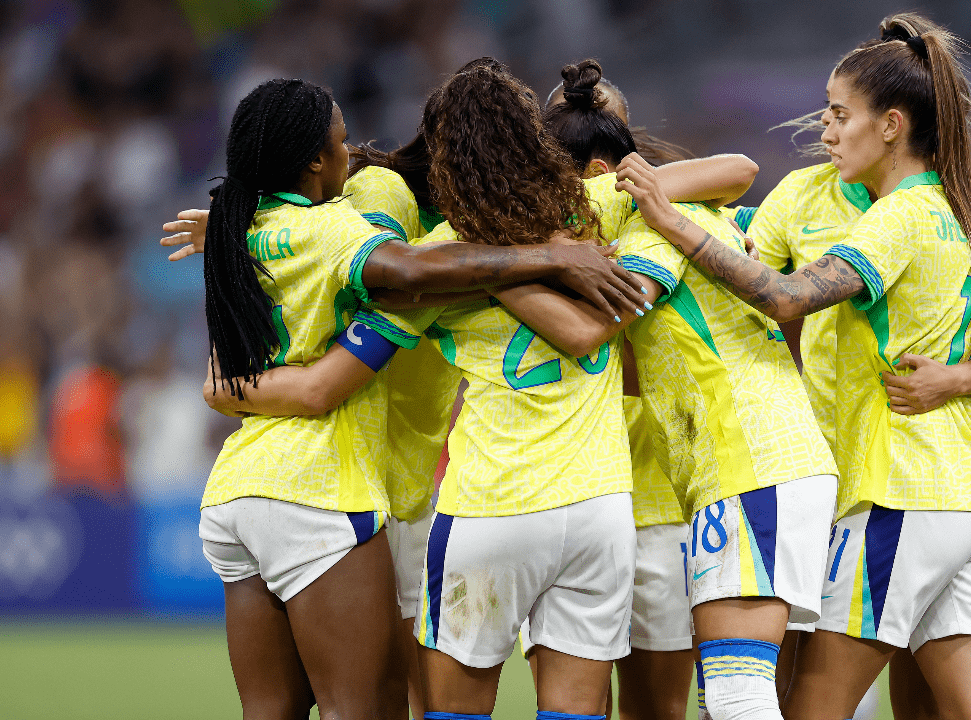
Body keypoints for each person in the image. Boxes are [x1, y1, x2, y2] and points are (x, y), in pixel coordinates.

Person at [615, 13, 971, 720]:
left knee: (804, 705)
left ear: (893, 125)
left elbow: (779, 296)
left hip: (892, 486)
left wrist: (666, 219)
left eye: (840, 114)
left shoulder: (903, 215)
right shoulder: (963, 202)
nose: (825, 130)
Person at [193, 77, 646, 720]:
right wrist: (544, 257)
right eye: (343, 143)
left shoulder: (465, 225)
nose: (356, 156)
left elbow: (271, 302)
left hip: (257, 485)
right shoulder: (380, 211)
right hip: (349, 486)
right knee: (375, 707)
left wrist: (234, 233)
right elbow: (391, 278)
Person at [494, 59, 838, 720]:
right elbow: (737, 168)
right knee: (730, 697)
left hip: (745, 460)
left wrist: (495, 270)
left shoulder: (648, 220)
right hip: (736, 466)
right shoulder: (677, 205)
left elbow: (590, 335)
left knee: (734, 696)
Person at [528, 59, 760, 720]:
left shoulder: (658, 206)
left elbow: (740, 167)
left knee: (654, 708)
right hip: (564, 488)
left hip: (659, 494)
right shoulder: (532, 220)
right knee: (573, 703)